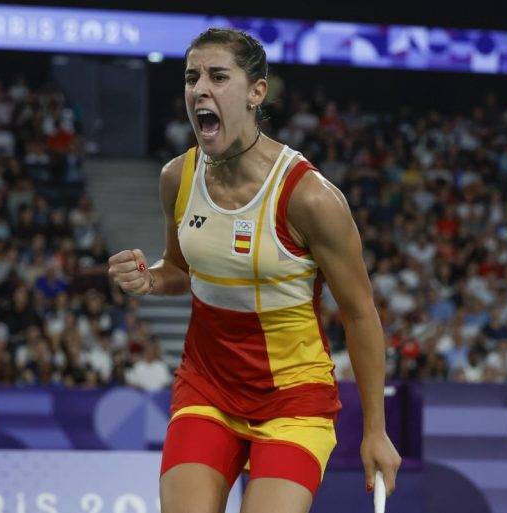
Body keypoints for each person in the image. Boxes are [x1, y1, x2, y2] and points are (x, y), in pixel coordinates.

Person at [109, 28, 400, 513]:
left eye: (218, 76)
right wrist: (151, 278)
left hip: (293, 400)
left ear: (256, 92)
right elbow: (179, 269)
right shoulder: (177, 178)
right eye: (191, 77)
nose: (199, 88)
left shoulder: (309, 198)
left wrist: (376, 430)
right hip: (208, 388)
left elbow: (360, 315)